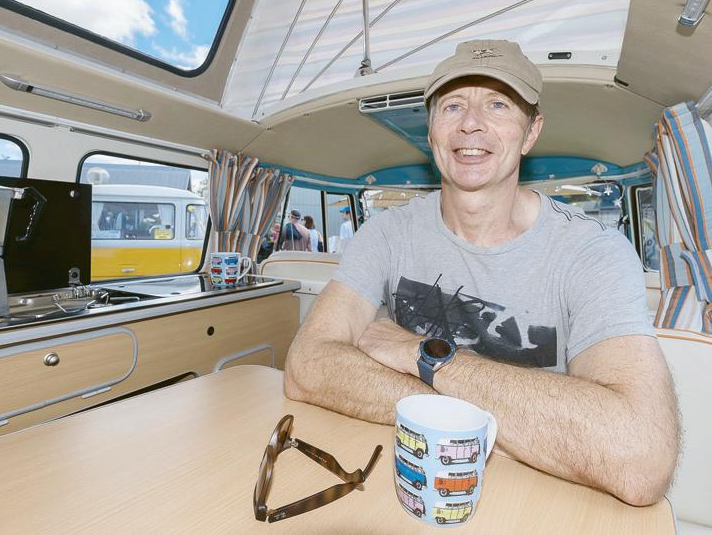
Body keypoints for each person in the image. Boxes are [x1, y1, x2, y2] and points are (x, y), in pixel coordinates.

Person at [284, 39, 679, 506]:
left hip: (538, 503)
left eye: (498, 104)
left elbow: (639, 459)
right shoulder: (387, 234)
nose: (471, 123)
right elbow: (306, 367)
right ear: (432, 132)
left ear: (531, 132)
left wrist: (424, 356)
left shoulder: (592, 253)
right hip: (410, 485)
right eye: (452, 105)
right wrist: (485, 415)